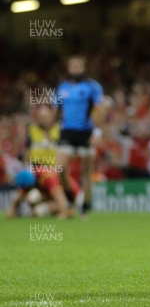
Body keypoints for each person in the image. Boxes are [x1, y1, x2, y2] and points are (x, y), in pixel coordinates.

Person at [55, 55, 105, 216]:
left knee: (87, 172)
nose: (75, 70)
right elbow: (56, 111)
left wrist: (98, 132)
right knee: (60, 167)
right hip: (67, 131)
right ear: (68, 69)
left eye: (78, 67)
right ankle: (70, 196)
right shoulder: (62, 88)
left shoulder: (92, 87)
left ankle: (86, 205)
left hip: (86, 133)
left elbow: (100, 110)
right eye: (72, 67)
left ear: (84, 68)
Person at [6, 168, 81, 219]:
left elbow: (60, 197)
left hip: (73, 197)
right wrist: (12, 210)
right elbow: (19, 197)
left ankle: (71, 209)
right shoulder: (30, 178)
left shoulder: (47, 177)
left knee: (39, 210)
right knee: (32, 199)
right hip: (54, 197)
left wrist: (64, 213)